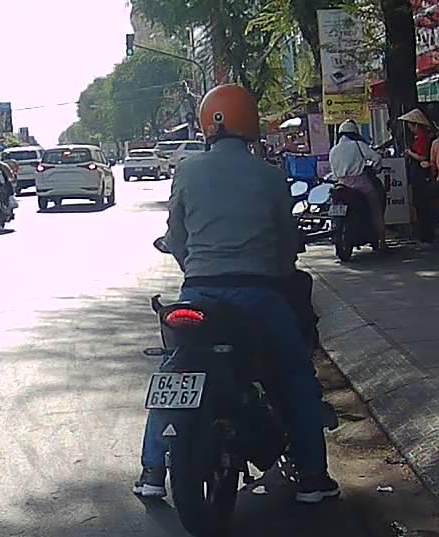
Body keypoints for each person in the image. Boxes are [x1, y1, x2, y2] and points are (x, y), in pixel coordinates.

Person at [135, 83, 339, 505]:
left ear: (206, 124)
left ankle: (152, 471)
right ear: (250, 123)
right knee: (295, 376)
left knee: (176, 371)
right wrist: (277, 266)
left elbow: (176, 238)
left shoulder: (187, 171)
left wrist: (194, 269)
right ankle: (312, 478)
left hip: (198, 295)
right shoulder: (269, 175)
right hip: (259, 296)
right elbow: (287, 243)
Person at [329, 119, 385, 246]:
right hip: (360, 183)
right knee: (375, 205)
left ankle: (334, 230)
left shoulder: (333, 150)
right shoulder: (358, 145)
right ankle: (381, 240)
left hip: (340, 183)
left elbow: (333, 171)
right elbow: (376, 157)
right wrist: (376, 168)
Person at [400, 109, 436, 242]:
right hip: (418, 173)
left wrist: (409, 152)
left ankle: (426, 234)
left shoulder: (422, 137)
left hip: (421, 174)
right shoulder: (420, 137)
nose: (409, 128)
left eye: (410, 125)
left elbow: (422, 157)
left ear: (415, 125)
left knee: (422, 204)